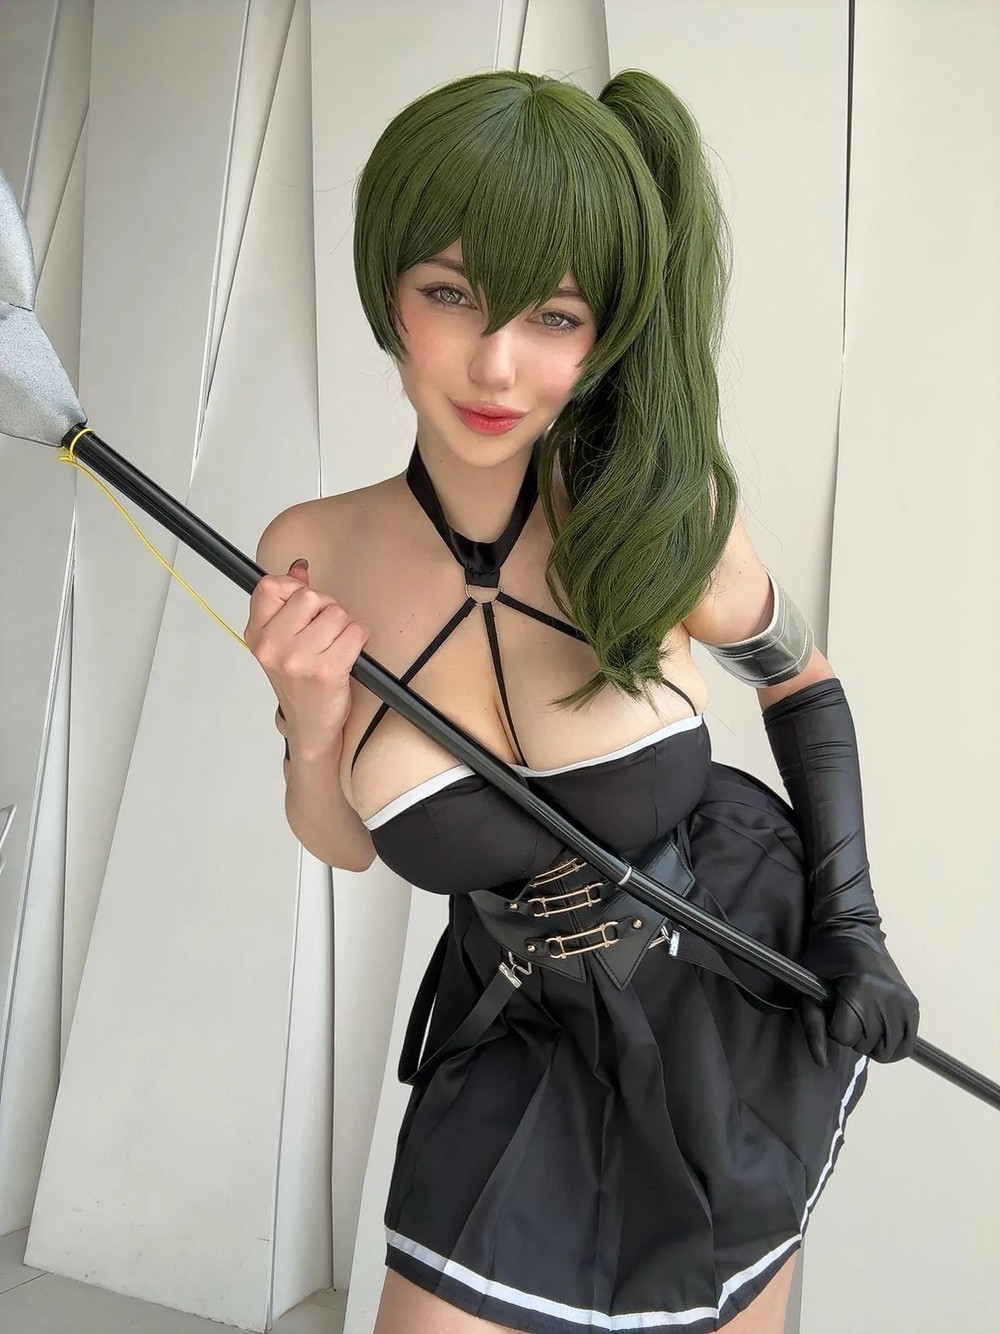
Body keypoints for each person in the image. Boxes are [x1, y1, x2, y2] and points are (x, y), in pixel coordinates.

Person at [243, 68, 918, 1334]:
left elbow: (799, 678)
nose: (496, 364)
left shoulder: (657, 516)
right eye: (451, 293)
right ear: (387, 289)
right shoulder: (310, 552)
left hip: (724, 995)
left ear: (601, 333)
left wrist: (855, 928)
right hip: (515, 1022)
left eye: (553, 315)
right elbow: (343, 842)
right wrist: (313, 725)